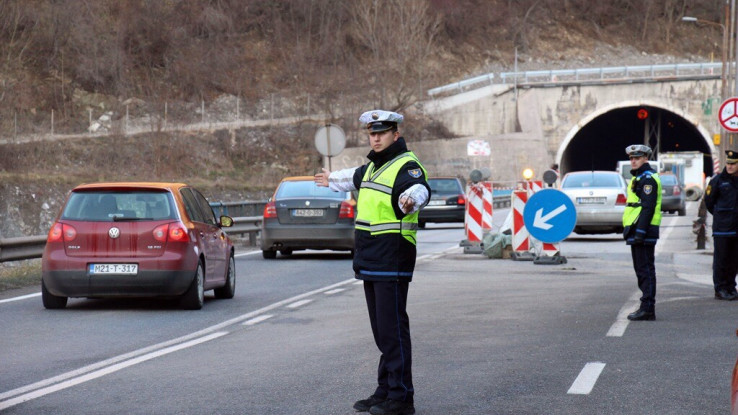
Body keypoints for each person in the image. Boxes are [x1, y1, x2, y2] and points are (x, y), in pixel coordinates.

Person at [314, 109, 430, 415]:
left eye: (380, 133)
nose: (375, 138)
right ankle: (385, 391)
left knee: (393, 331)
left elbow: (419, 189)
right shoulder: (374, 168)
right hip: (371, 260)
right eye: (371, 133)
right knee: (383, 332)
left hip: (392, 258)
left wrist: (411, 199)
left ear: (395, 134)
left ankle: (402, 398)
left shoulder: (407, 165)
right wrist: (328, 179)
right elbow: (351, 177)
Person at [622, 144, 662, 321]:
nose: (633, 161)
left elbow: (647, 207)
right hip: (637, 229)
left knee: (645, 270)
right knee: (641, 270)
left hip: (643, 230)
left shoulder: (647, 179)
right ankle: (646, 306)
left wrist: (640, 232)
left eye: (637, 158)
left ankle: (648, 308)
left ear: (645, 158)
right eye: (631, 158)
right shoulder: (639, 177)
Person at [703, 150, 738, 301]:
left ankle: (731, 286)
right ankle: (720, 288)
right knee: (721, 260)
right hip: (722, 229)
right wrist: (720, 215)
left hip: (736, 228)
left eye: (733, 164)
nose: (729, 166)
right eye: (728, 163)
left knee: (734, 260)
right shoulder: (718, 180)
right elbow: (709, 202)